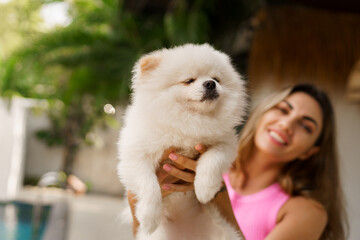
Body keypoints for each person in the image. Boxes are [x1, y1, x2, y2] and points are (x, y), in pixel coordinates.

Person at [128, 83, 348, 240]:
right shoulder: (195, 162)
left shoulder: (306, 212)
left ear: (310, 151)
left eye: (306, 126)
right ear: (261, 113)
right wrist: (140, 198)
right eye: (282, 110)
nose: (287, 124)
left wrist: (222, 206)